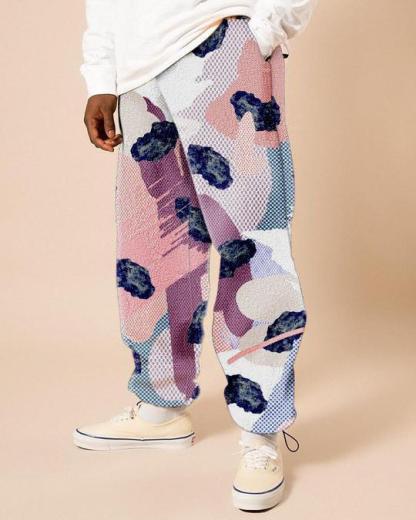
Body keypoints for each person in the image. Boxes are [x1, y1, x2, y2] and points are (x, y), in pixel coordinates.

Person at [74, 0, 316, 511]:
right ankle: (160, 406)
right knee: (152, 248)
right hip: (138, 73)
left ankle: (261, 432)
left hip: (222, 45)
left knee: (250, 244)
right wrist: (102, 76)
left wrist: (266, 29)